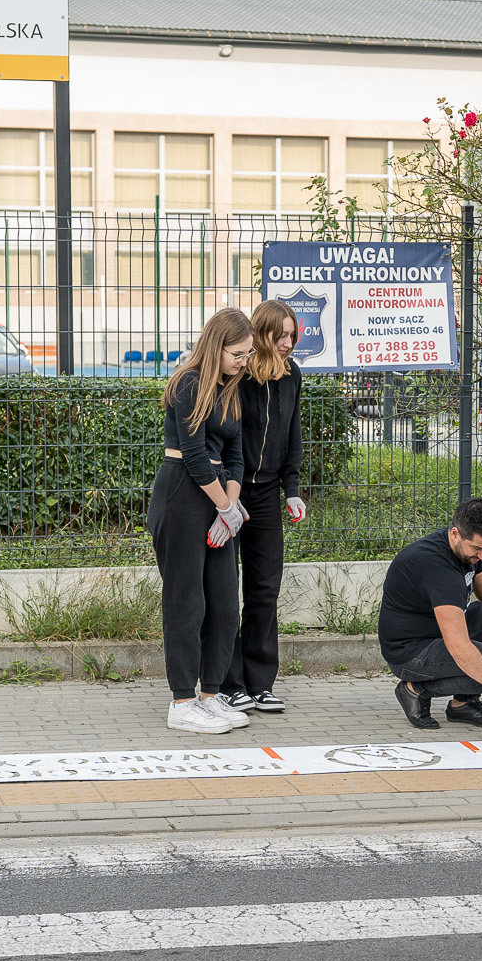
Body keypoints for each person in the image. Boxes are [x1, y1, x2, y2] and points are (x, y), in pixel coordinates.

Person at [149, 307, 254, 735]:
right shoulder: (189, 382)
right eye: (237, 353)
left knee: (226, 604)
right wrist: (224, 508)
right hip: (181, 495)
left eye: (247, 354)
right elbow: (193, 454)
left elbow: (236, 456)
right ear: (216, 346)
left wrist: (229, 510)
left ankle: (210, 695)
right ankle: (182, 702)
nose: (244, 361)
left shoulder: (231, 388)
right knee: (186, 603)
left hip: (216, 497)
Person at [379, 498, 482, 731]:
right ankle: (415, 690)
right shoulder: (438, 569)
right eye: (477, 549)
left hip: (438, 636)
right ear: (455, 534)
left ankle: (464, 703)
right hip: (410, 652)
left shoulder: (462, 549)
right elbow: (459, 648)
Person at [221, 299, 307, 715]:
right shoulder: (237, 377)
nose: (288, 343)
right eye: (281, 335)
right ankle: (227, 682)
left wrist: (291, 489)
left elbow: (293, 437)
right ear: (261, 334)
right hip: (230, 496)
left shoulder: (293, 376)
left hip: (268, 495)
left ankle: (259, 682)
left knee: (264, 589)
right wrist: (225, 498)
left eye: (293, 334)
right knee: (224, 590)